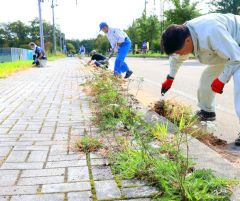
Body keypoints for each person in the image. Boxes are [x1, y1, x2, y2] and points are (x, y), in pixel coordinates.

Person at [160, 13, 240, 146]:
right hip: (228, 49)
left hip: (236, 50)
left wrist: (221, 80)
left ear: (187, 41)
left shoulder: (211, 31)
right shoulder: (183, 34)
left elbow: (235, 58)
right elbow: (176, 58)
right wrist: (170, 78)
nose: (178, 55)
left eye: (179, 51)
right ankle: (207, 112)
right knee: (206, 79)